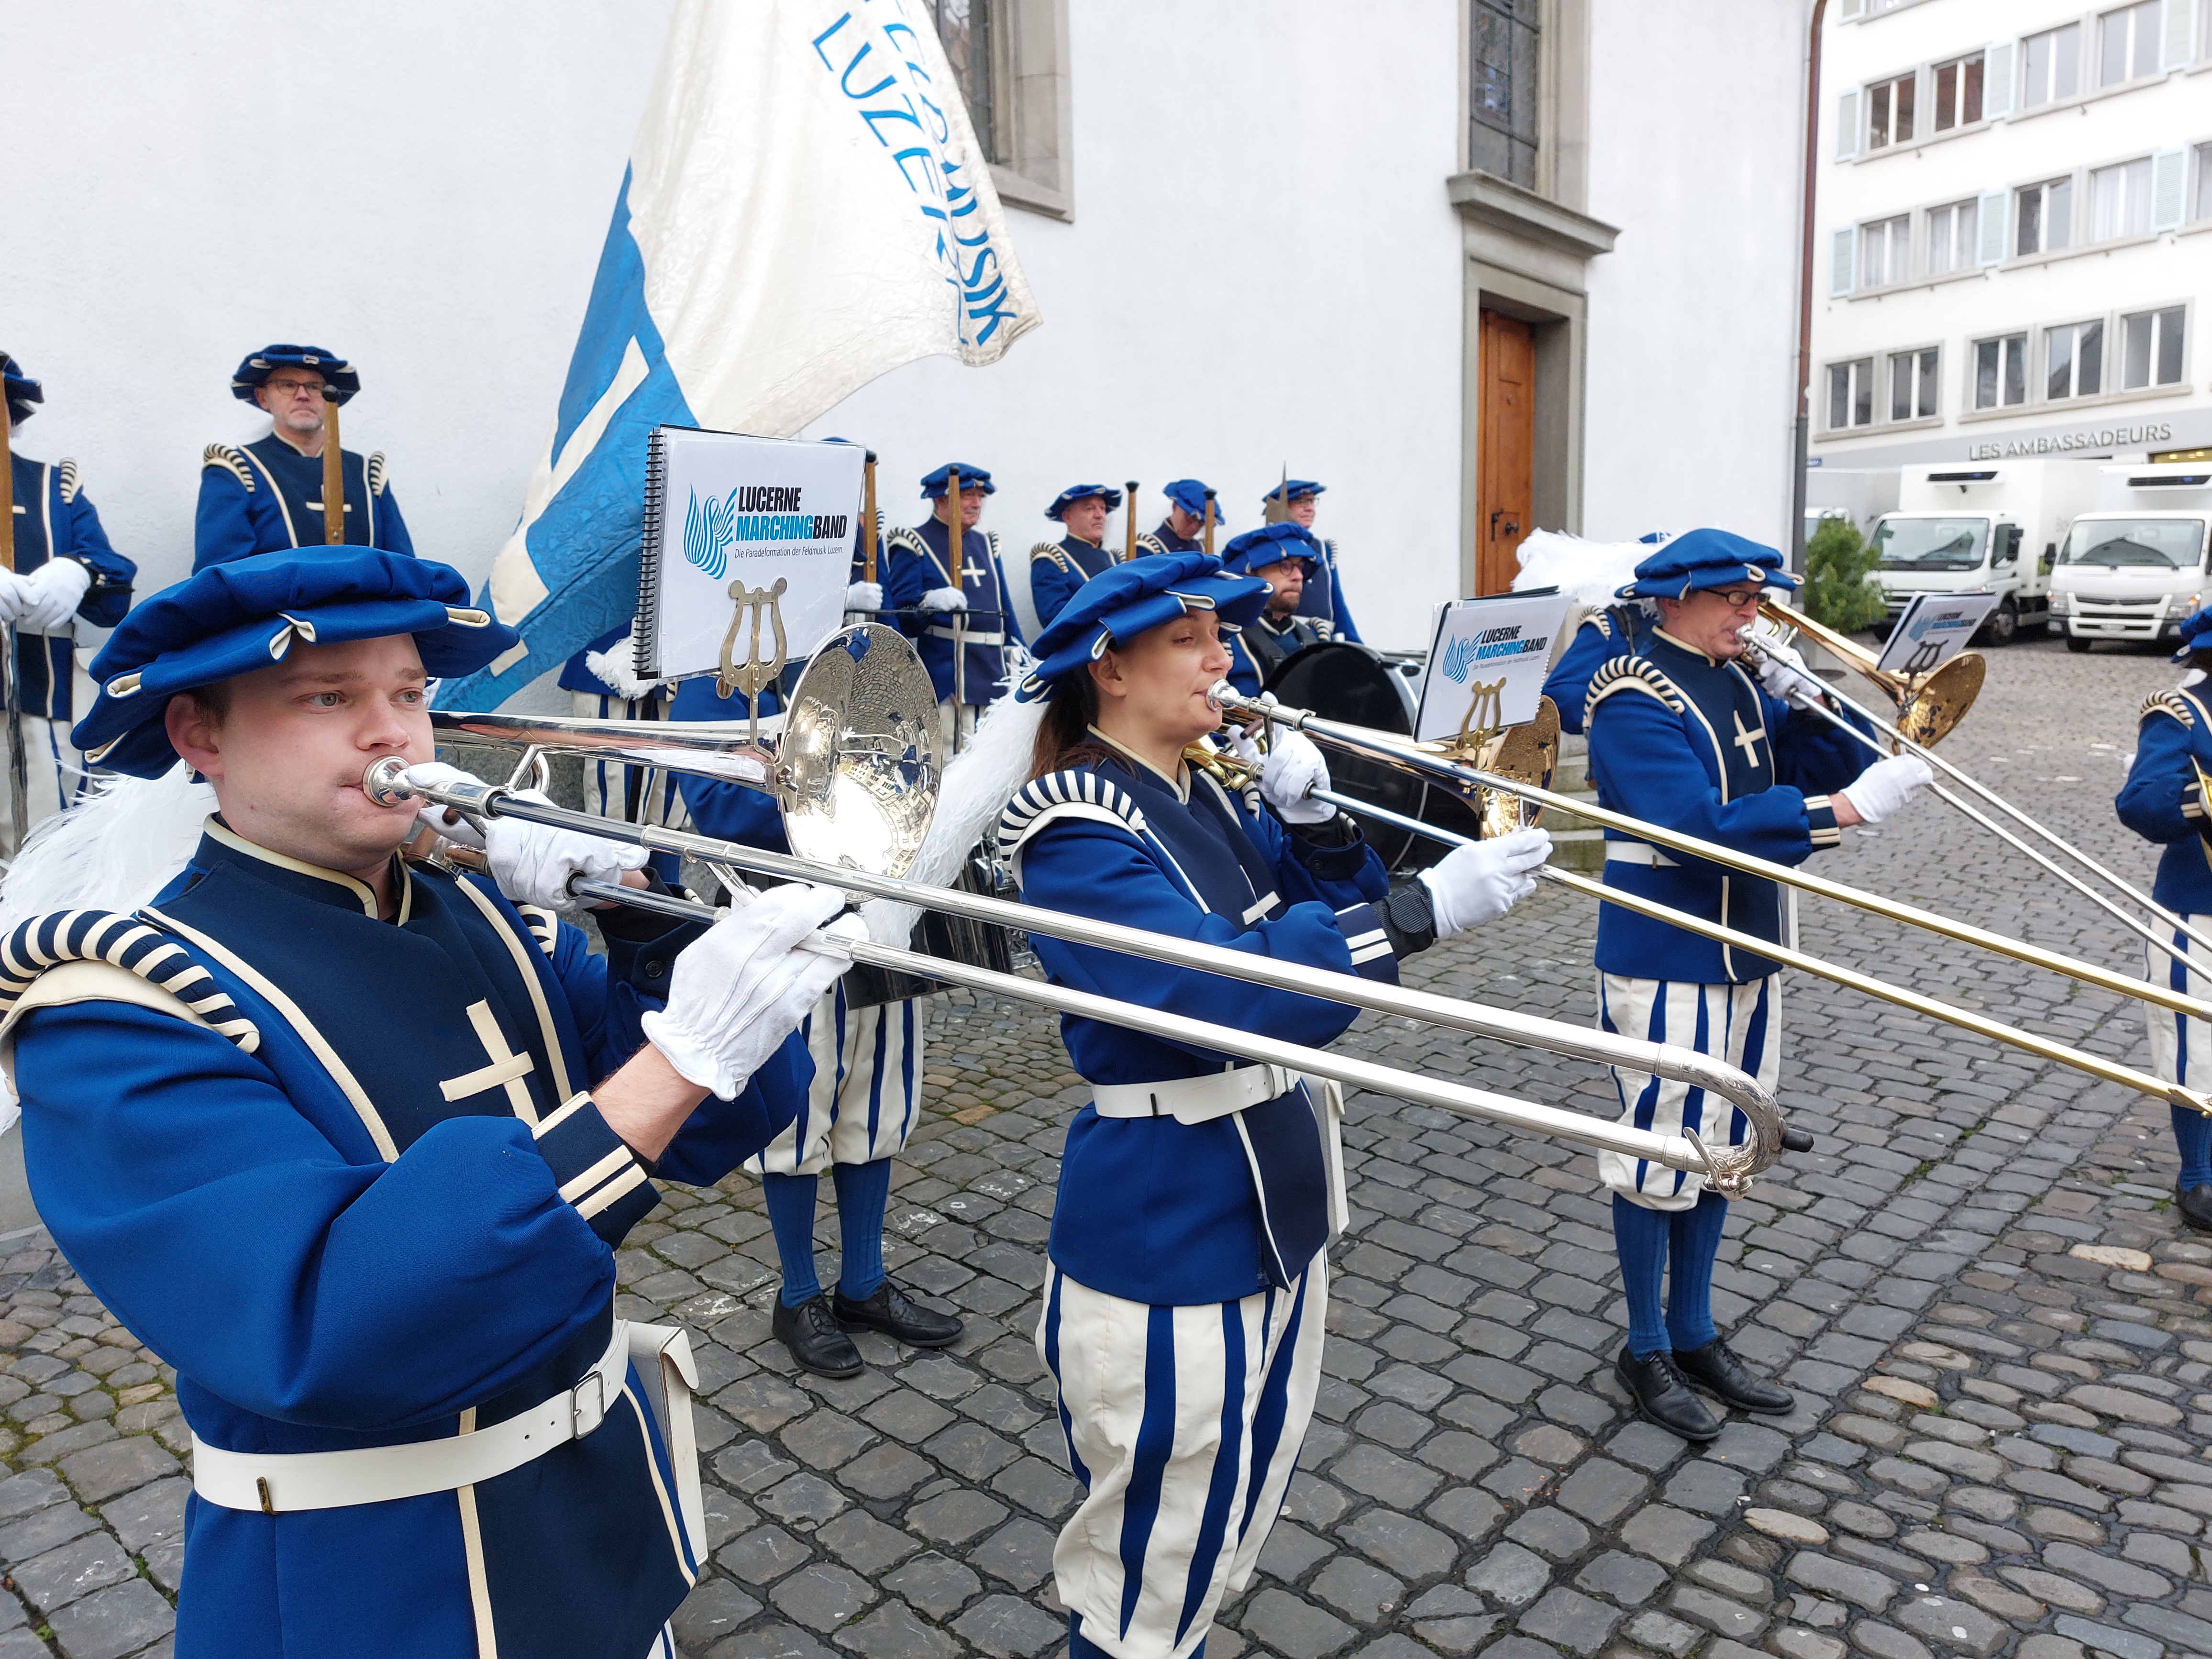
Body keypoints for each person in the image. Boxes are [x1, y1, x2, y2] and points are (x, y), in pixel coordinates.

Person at [10, 548, 852, 1657]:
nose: (393, 735)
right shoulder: (119, 1004)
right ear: (200, 737)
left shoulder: (487, 915)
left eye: (409, 693)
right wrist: (680, 1055)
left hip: (598, 1516)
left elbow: (712, 1128)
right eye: (329, 698)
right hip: (371, 1582)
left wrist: (643, 916)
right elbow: (323, 1320)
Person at [998, 553, 1550, 1659]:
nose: (1224, 658)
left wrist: (1318, 831)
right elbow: (1218, 988)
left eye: (1222, 633)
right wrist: (1413, 912)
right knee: (1143, 1578)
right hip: (1171, 1227)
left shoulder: (1196, 787)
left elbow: (1303, 938)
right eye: (1191, 637)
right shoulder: (1071, 821)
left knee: (1216, 1532)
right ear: (1107, 668)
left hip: (1270, 1203)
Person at [1584, 529, 1931, 1441]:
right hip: (1667, 948)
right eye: (1736, 595)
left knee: (1727, 1140)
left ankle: (1695, 1329)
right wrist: (1840, 811)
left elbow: (1801, 765)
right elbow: (1689, 827)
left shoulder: (1737, 674)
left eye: (1755, 594)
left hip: (1747, 944)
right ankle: (1644, 1341)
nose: (1754, 609)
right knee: (1659, 1148)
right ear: (1679, 595)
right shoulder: (1629, 692)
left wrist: (1821, 710)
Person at [663, 666, 960, 1377]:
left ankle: (863, 1283)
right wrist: (850, 796)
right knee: (798, 1112)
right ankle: (797, 1295)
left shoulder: (851, 664)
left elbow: (912, 768)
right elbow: (723, 810)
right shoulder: (716, 687)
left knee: (878, 1098)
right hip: (782, 913)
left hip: (879, 904)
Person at [0, 353, 135, 839]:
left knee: (44, 843)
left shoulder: (53, 487)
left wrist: (79, 570)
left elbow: (114, 583)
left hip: (43, 693)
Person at [2114, 608, 2212, 1232]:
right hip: (2198, 909)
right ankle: (2198, 1174)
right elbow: (2142, 802)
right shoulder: (2181, 714)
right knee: (2195, 1047)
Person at [195, 345, 415, 570]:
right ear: (263, 398)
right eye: (288, 385)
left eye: (315, 387)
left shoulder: (368, 474)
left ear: (332, 399)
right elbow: (221, 576)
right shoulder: (237, 470)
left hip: (370, 606)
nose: (303, 395)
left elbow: (405, 569)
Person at [883, 462, 1025, 746]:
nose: (976, 503)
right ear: (940, 500)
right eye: (968, 495)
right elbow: (904, 618)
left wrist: (1022, 653)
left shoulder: (986, 544)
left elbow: (1003, 607)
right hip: (949, 679)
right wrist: (930, 604)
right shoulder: (913, 542)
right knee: (949, 763)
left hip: (994, 674)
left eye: (980, 497)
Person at [1220, 523, 1328, 693]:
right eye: (1284, 566)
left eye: (1300, 567)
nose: (1299, 576)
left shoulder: (1316, 636)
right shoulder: (1225, 640)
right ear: (1249, 574)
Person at [1261, 479, 1361, 643]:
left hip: (1323, 640)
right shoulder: (1264, 548)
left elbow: (1337, 604)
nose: (1310, 508)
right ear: (1282, 507)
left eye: (1312, 501)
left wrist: (1356, 645)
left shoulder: (1323, 549)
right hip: (1282, 639)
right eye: (1301, 502)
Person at [1029, 483, 1124, 629]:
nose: (1100, 515)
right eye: (1089, 509)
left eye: (1103, 509)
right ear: (1068, 517)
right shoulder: (1052, 559)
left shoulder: (1115, 560)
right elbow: (1053, 618)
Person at [1135, 478, 1221, 556]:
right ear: (1175, 507)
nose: (1194, 527)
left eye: (1201, 523)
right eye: (1190, 518)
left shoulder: (1202, 549)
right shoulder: (1149, 547)